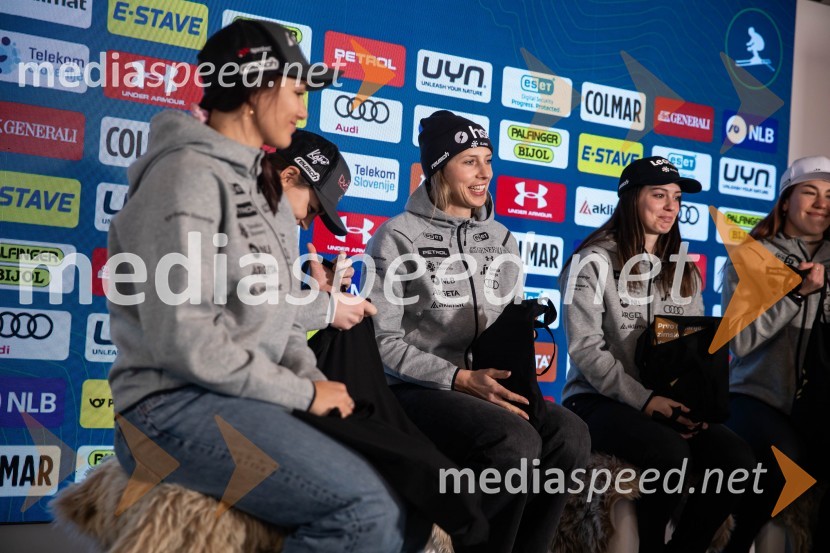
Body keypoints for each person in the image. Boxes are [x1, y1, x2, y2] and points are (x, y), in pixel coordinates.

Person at [107, 19, 422, 553]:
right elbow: (185, 341)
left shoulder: (260, 190)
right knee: (365, 509)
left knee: (406, 488)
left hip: (233, 399)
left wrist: (314, 384)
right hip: (167, 410)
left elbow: (277, 322)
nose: (303, 110)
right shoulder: (187, 175)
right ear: (255, 91)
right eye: (297, 92)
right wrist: (302, 392)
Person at [364, 110, 590, 553]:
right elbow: (382, 342)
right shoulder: (396, 237)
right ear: (440, 167)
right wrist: (459, 379)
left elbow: (506, 328)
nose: (485, 171)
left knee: (570, 433)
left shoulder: (502, 237)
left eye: (488, 159)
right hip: (416, 391)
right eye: (470, 160)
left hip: (484, 385)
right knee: (514, 440)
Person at [560, 157, 755, 553]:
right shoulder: (591, 261)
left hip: (665, 403)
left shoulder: (684, 269)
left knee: (737, 459)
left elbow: (691, 351)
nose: (671, 207)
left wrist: (694, 410)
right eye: (659, 195)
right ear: (632, 199)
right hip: (595, 400)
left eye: (677, 198)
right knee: (670, 453)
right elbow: (585, 349)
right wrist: (646, 401)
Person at [721, 155, 830, 553]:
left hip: (815, 406)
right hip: (754, 398)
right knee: (787, 461)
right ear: (785, 200)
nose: (822, 203)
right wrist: (795, 295)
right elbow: (741, 341)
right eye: (810, 192)